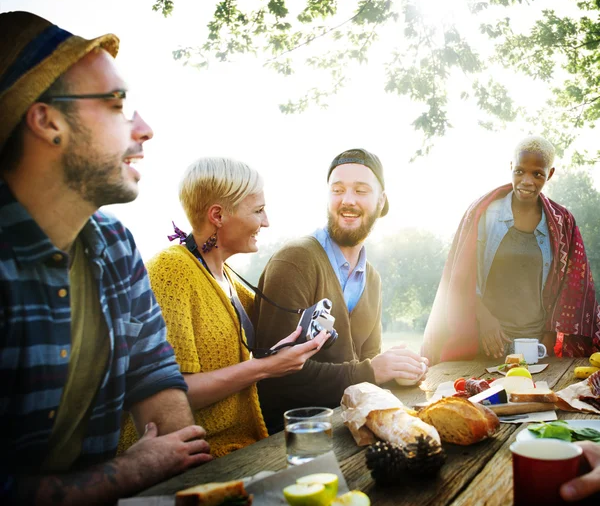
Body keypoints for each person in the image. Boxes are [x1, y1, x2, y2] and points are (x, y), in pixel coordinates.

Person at [0, 11, 211, 506]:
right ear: (48, 120)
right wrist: (131, 471)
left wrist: (184, 478)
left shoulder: (115, 243)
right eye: (117, 105)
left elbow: (154, 375)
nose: (145, 128)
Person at [118, 157, 329, 457]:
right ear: (217, 215)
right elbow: (172, 394)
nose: (266, 221)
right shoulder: (170, 271)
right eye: (258, 211)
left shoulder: (227, 277)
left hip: (237, 451)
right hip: (184, 465)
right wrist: (266, 367)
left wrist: (275, 352)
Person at [252, 148, 429, 433]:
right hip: (293, 437)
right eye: (338, 190)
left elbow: (366, 364)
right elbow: (277, 374)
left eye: (361, 190)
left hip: (352, 427)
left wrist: (397, 370)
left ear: (380, 200)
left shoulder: (372, 278)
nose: (347, 201)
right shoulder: (295, 261)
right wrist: (374, 370)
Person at [423, 135, 600, 365]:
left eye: (537, 174)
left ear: (550, 174)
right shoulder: (483, 214)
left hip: (535, 344)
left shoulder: (562, 222)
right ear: (510, 168)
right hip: (485, 340)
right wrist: (484, 317)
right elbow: (461, 277)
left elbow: (572, 286)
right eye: (519, 171)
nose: (527, 181)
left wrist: (547, 338)